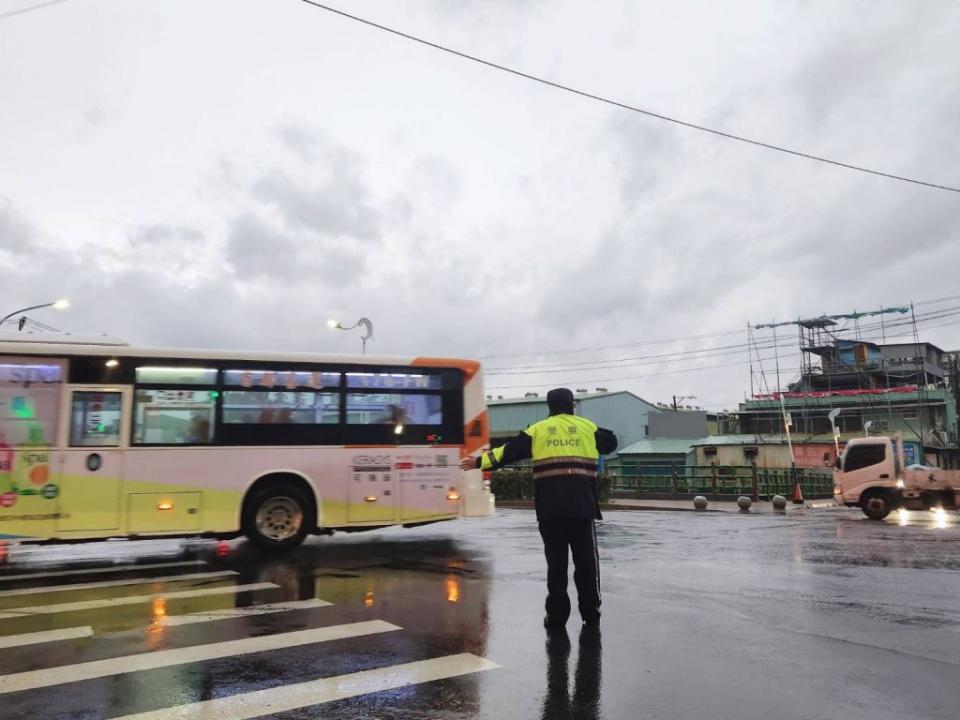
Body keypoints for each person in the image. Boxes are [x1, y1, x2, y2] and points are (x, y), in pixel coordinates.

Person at [460, 387, 617, 628]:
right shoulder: (588, 428)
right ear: (572, 405)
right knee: (586, 564)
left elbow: (507, 452)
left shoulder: (537, 431)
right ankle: (591, 613)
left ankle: (556, 617)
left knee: (556, 566)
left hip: (550, 511)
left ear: (549, 407)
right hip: (582, 508)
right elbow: (612, 443)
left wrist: (478, 461)